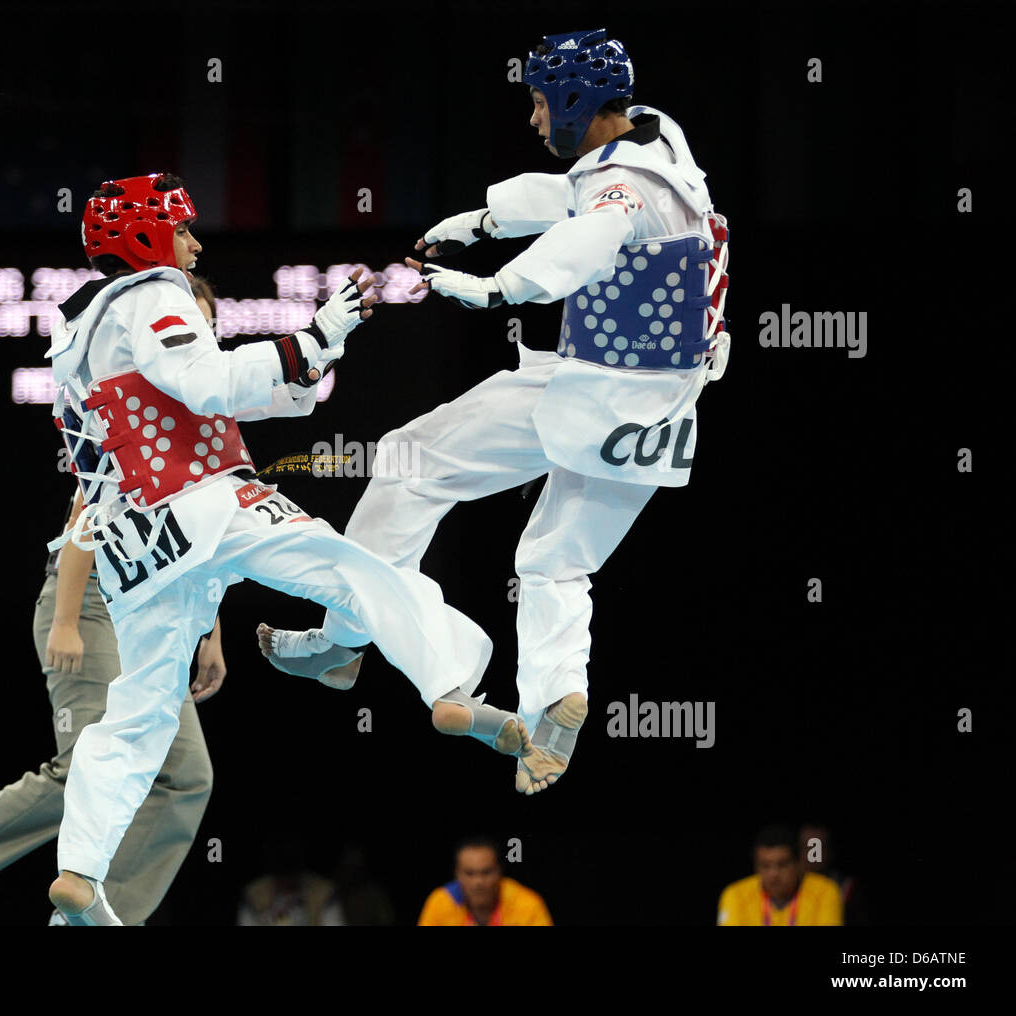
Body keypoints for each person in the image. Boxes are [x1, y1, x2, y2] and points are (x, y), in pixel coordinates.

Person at [45, 173, 551, 924]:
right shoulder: (150, 293)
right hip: (204, 502)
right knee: (355, 572)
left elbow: (229, 393)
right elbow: (210, 380)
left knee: (140, 711)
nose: (196, 244)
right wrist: (311, 337)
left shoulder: (75, 332)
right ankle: (447, 689)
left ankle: (79, 872)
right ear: (146, 238)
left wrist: (323, 340)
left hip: (136, 547)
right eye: (183, 230)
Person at [259, 27, 731, 795]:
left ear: (577, 101)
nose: (536, 119)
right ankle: (554, 706)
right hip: (666, 408)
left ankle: (344, 639)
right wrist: (480, 220)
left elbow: (593, 228)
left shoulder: (625, 191)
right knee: (553, 561)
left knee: (409, 464)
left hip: (590, 393)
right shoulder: (661, 145)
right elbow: (576, 194)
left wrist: (493, 287)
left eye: (542, 103)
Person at [0, 489, 221, 927]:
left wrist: (211, 633)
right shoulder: (135, 423)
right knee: (86, 768)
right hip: (94, 603)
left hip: (161, 618)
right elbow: (87, 514)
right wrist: (66, 618)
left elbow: (206, 536)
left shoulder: (211, 442)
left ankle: (89, 914)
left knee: (185, 776)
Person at [717, 825, 843, 926]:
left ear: (799, 864)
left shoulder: (825, 891)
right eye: (765, 865)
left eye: (782, 864)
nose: (774, 874)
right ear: (756, 866)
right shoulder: (736, 894)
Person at [418, 836, 552, 926]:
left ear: (500, 872)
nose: (478, 882)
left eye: (486, 872)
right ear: (457, 874)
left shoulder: (526, 903)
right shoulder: (440, 902)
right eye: (469, 873)